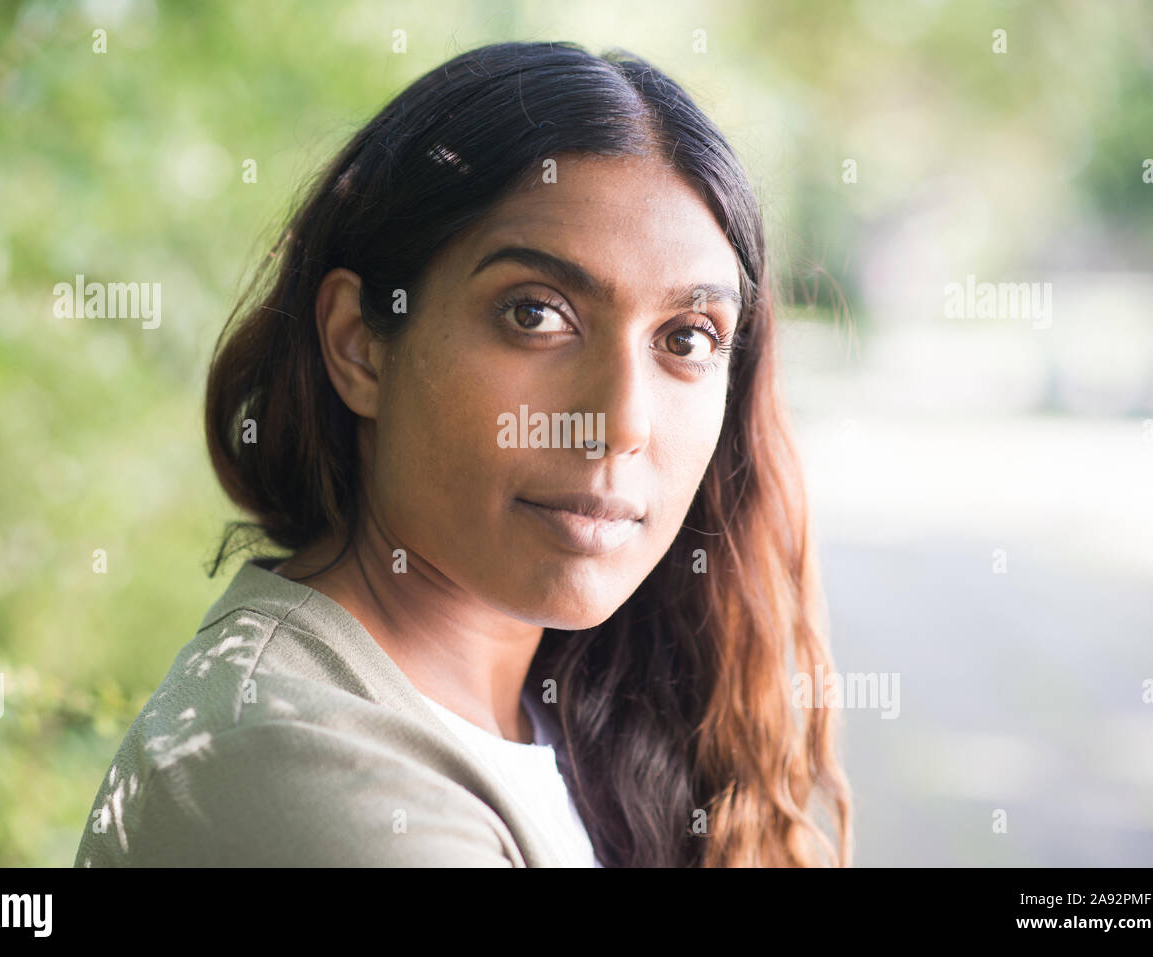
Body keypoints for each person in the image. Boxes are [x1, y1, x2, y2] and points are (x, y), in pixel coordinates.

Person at [74, 39, 851, 868]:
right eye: (534, 315)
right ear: (360, 345)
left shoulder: (577, 715)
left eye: (687, 338)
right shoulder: (297, 767)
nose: (621, 421)